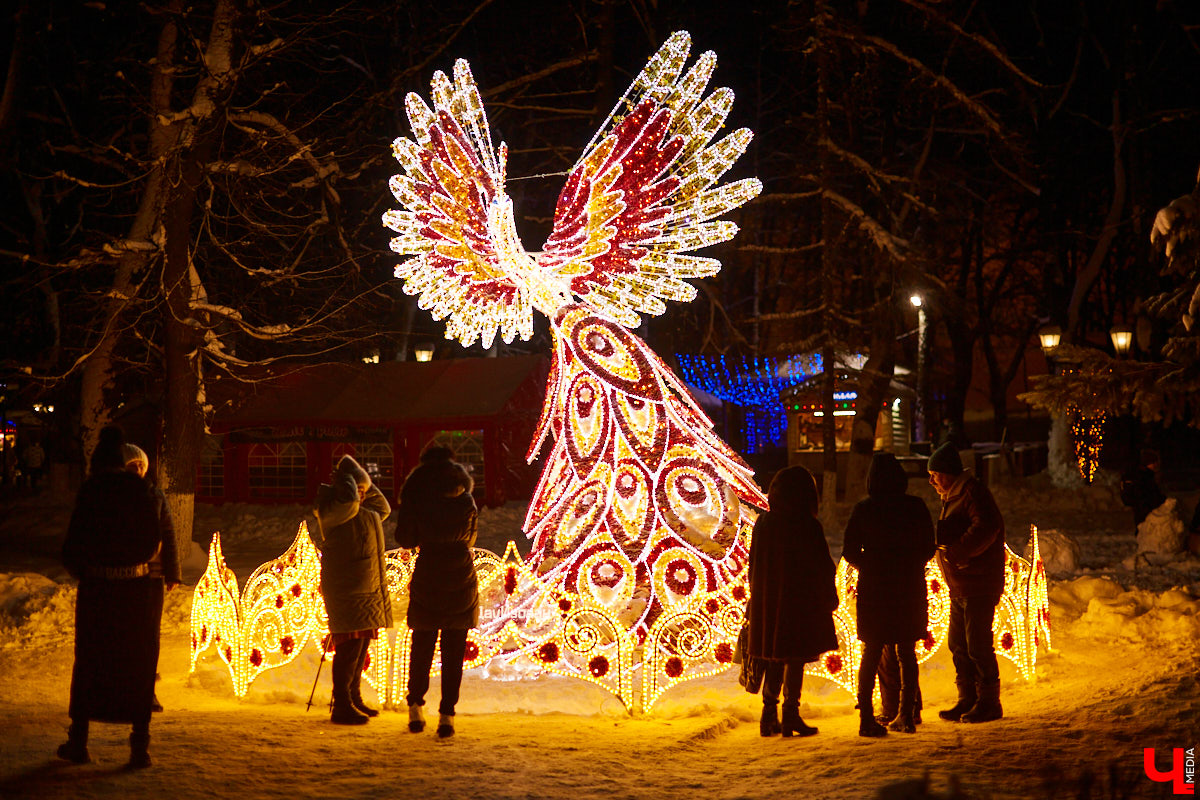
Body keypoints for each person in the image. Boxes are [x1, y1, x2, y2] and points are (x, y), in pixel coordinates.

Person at [58, 426, 180, 768]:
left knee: (91, 662)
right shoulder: (143, 492)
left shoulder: (91, 491)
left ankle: (78, 741)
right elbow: (156, 539)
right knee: (137, 665)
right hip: (138, 592)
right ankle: (139, 746)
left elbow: (72, 546)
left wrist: (88, 570)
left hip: (99, 591)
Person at [842, 453, 936, 737]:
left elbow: (848, 550)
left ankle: (867, 718)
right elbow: (929, 547)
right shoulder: (915, 507)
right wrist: (911, 563)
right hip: (908, 587)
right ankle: (906, 714)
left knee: (871, 654)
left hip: (875, 590)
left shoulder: (864, 509)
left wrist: (869, 564)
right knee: (907, 653)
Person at [743, 465, 839, 738]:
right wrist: (828, 598)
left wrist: (758, 598)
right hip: (800, 602)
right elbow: (822, 566)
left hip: (770, 602)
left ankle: (768, 715)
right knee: (794, 658)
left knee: (775, 656)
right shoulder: (807, 524)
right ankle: (790, 716)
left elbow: (754, 566)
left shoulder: (764, 523)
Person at [394, 446, 480, 738]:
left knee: (422, 645)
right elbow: (470, 537)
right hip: (460, 572)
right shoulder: (466, 498)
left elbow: (404, 538)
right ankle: (447, 715)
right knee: (454, 649)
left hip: (429, 571)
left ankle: (416, 707)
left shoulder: (417, 497)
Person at [926, 442, 1006, 724]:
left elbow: (987, 526)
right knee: (957, 644)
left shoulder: (971, 493)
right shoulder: (952, 496)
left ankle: (988, 702)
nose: (931, 480)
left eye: (935, 474)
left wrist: (960, 552)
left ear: (948, 473)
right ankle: (967, 698)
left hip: (978, 582)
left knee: (977, 645)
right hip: (960, 584)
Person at [312, 454, 393, 725]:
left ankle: (354, 696)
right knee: (347, 648)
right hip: (347, 588)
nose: (360, 495)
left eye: (363, 491)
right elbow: (348, 501)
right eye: (356, 489)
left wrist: (364, 483)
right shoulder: (335, 510)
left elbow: (384, 507)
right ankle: (341, 703)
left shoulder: (367, 513)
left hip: (367, 588)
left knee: (360, 647)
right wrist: (346, 478)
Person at [1119, 448, 1166, 535]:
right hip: (1145, 511)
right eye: (1154, 462)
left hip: (1141, 511)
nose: (1156, 465)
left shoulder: (1144, 475)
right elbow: (1148, 495)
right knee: (1145, 532)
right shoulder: (1145, 477)